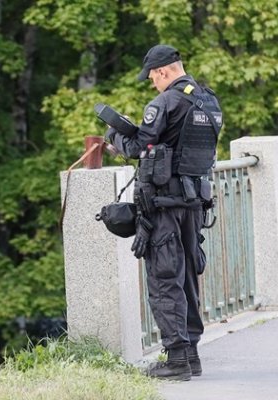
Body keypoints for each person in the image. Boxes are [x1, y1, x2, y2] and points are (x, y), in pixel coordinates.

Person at [105, 44, 222, 381]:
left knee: (164, 279)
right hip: (194, 203)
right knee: (186, 278)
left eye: (152, 77)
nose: (151, 83)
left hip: (165, 206)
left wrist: (115, 136)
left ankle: (176, 361)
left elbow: (142, 146)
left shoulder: (166, 101)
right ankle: (191, 355)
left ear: (163, 71)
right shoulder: (209, 101)